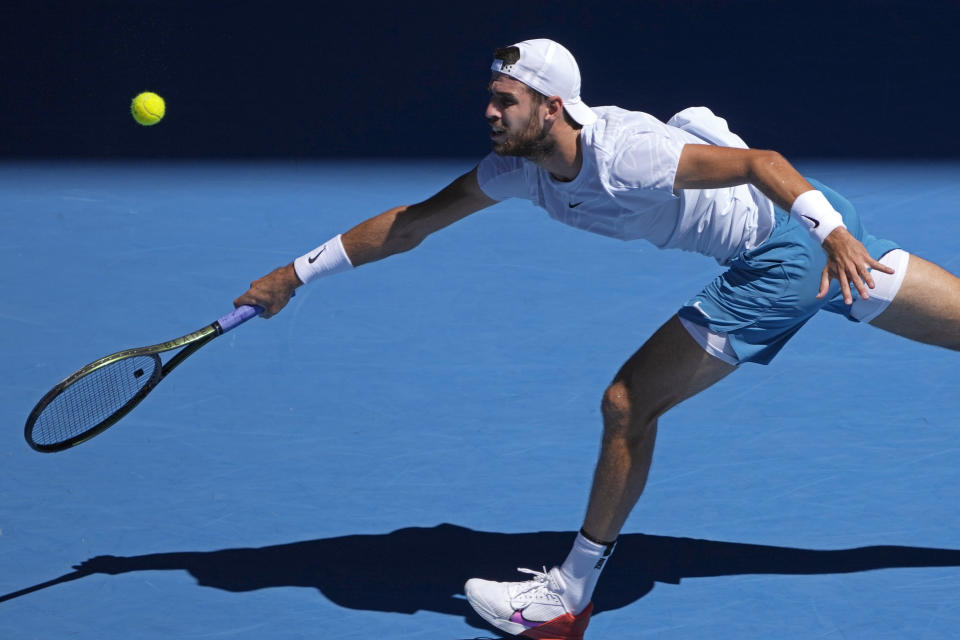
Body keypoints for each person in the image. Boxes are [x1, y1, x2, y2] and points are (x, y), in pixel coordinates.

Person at [234, 39, 960, 640]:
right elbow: (413, 222)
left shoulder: (626, 156)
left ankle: (566, 599)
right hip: (819, 223)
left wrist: (828, 238)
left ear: (551, 108)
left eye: (504, 101)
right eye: (490, 98)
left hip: (788, 248)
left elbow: (760, 163)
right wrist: (294, 274)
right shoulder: (518, 172)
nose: (488, 112)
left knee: (627, 404)